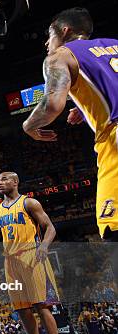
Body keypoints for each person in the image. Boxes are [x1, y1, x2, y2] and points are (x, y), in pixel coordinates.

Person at [22, 7, 117, 242]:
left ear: (65, 31)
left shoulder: (60, 56)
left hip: (114, 139)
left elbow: (52, 105)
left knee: (113, 231)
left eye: (50, 35)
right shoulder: (115, 44)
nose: (46, 42)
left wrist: (29, 125)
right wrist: (86, 110)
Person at [0, 172, 67, 334]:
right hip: (10, 261)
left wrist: (44, 246)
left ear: (16, 182)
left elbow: (50, 227)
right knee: (23, 310)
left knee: (42, 306)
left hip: (32, 255)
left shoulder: (29, 203)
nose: (0, 183)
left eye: (5, 179)